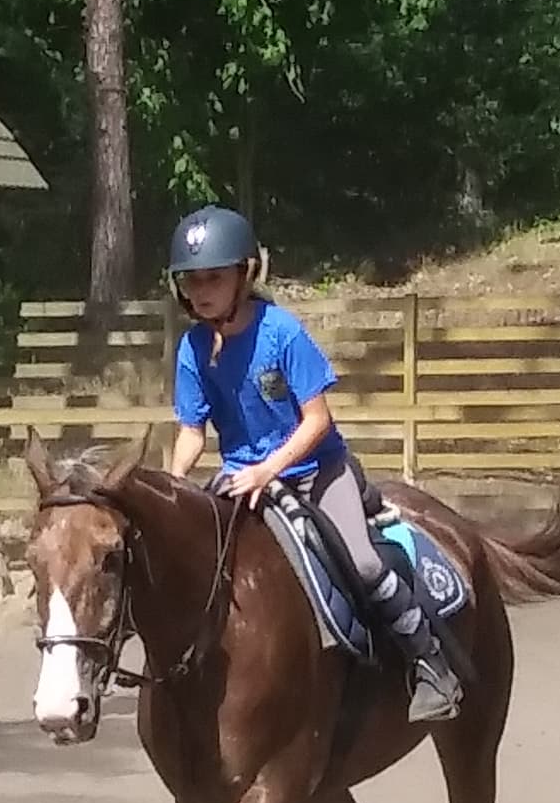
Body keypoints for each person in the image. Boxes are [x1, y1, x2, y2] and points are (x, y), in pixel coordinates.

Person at [162, 203, 462, 724]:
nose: (201, 290)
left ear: (245, 274)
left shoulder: (282, 332)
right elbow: (192, 431)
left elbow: (317, 421)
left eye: (214, 277)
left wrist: (267, 470)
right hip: (240, 480)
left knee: (365, 563)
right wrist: (172, 484)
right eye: (191, 281)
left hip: (317, 472)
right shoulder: (192, 348)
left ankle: (431, 664)